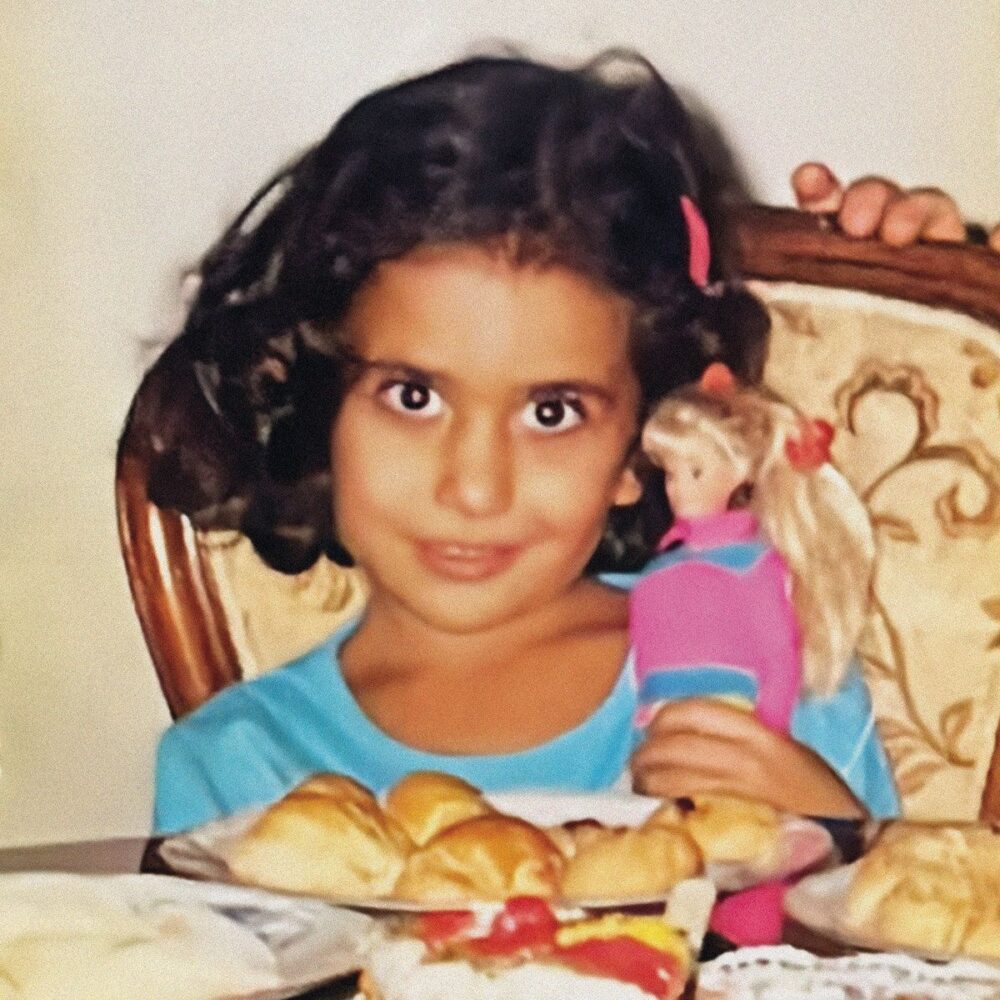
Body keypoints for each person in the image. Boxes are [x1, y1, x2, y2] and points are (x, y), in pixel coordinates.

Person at [125, 52, 972, 837]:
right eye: (414, 397)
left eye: (553, 412)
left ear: (645, 445)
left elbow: (895, 936)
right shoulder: (236, 768)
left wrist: (835, 838)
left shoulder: (755, 672)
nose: (475, 488)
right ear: (316, 405)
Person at [630, 362, 875, 735]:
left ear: (738, 473)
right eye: (670, 474)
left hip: (731, 711)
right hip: (661, 713)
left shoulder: (752, 562)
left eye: (696, 472)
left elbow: (778, 655)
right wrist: (645, 707)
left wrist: (768, 730)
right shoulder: (662, 567)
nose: (678, 489)